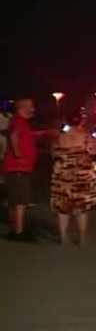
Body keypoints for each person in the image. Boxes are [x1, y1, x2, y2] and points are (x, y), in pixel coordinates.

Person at [50, 111, 96, 245]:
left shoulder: (60, 136)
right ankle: (82, 238)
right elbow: (94, 151)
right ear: (81, 120)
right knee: (82, 208)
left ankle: (63, 237)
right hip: (81, 175)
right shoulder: (86, 136)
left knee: (62, 207)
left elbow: (53, 153)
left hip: (63, 175)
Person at [4, 97, 39, 241]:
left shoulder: (18, 121)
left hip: (15, 168)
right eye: (30, 106)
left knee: (14, 200)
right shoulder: (19, 121)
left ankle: (15, 230)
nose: (33, 109)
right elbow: (14, 136)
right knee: (20, 201)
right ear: (22, 107)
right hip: (19, 168)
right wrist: (19, 155)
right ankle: (19, 232)